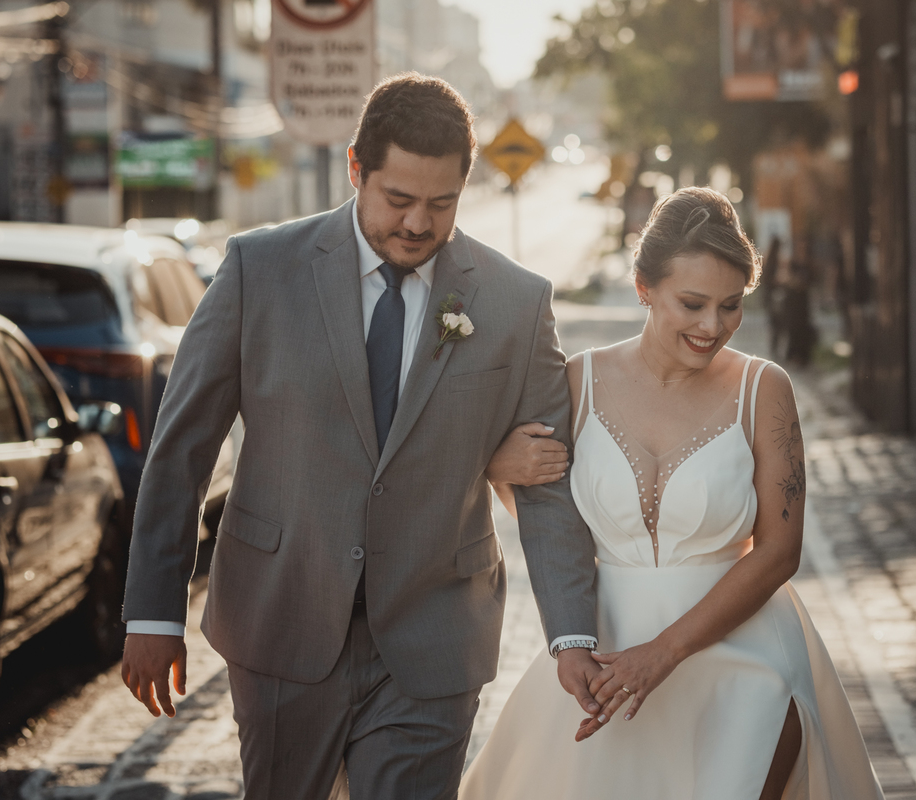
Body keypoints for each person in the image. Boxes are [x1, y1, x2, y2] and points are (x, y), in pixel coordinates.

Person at [117, 73, 604, 800]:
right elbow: (181, 450)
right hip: (280, 616)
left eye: (440, 204)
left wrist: (572, 635)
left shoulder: (516, 302)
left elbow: (547, 482)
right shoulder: (260, 270)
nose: (417, 224)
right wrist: (154, 612)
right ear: (356, 169)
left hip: (434, 635)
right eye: (398, 200)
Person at [463, 188, 885, 800]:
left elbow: (779, 551)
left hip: (742, 653)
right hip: (605, 658)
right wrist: (497, 464)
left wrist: (663, 653)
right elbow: (549, 514)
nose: (712, 326)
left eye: (731, 306)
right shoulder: (574, 382)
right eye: (693, 303)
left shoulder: (763, 389)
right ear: (643, 286)